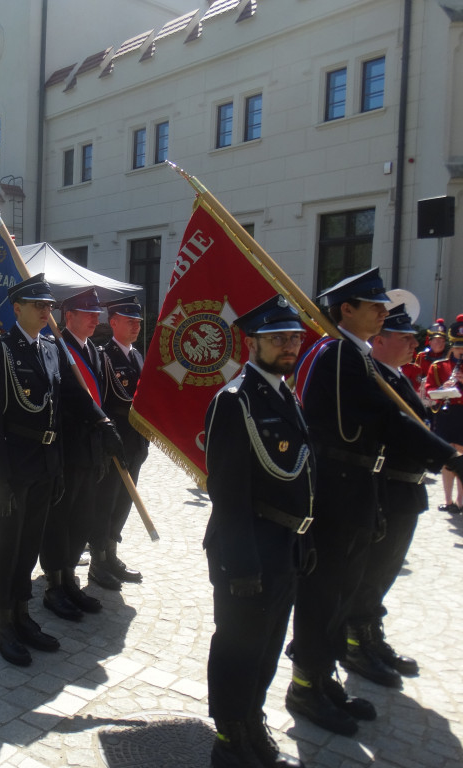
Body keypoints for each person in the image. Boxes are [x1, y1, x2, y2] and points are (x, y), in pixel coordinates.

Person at [287, 268, 463, 736]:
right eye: (375, 307)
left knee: (343, 591)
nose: (384, 314)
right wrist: (449, 456)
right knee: (324, 595)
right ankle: (305, 687)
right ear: (347, 310)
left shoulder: (352, 354)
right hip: (335, 491)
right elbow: (386, 419)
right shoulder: (339, 354)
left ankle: (323, 680)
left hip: (357, 488)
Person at [0, 274, 125, 667]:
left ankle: (23, 615)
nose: (46, 312)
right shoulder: (1, 352)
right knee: (9, 545)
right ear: (18, 308)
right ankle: (3, 623)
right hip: (15, 466)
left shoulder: (50, 349)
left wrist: (102, 423)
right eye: (38, 306)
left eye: (48, 306)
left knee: (29, 545)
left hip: (46, 464)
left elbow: (73, 397)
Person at [203, 295, 311, 768]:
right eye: (278, 339)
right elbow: (226, 492)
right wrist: (241, 563)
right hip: (247, 543)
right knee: (237, 644)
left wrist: (305, 538)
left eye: (294, 338)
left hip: (284, 542)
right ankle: (229, 735)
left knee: (268, 644)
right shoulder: (235, 401)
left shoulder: (286, 394)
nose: (289, 346)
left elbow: (302, 474)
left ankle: (252, 717)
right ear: (253, 343)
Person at [340, 303, 427, 690]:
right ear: (379, 341)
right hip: (387, 488)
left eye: (413, 337)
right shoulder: (374, 379)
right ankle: (357, 643)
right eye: (404, 337)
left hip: (406, 489)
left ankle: (371, 635)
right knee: (372, 573)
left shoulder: (397, 378)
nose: (414, 343)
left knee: (385, 571)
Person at [40, 287, 111, 621]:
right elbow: (65, 399)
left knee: (82, 518)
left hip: (90, 452)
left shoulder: (92, 350)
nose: (96, 319)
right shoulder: (57, 347)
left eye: (98, 314)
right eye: (89, 314)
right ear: (69, 317)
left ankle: (70, 579)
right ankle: (55, 586)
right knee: (61, 520)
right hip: (67, 451)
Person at [90, 296, 148, 590]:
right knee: (106, 502)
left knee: (124, 502)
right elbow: (102, 403)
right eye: (130, 321)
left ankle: (111, 553)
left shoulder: (137, 356)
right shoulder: (103, 357)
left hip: (136, 444)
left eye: (138, 322)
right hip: (114, 445)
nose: (136, 326)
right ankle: (97, 561)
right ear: (113, 323)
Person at [423, 316, 463, 513]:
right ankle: (448, 501)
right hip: (447, 416)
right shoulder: (438, 366)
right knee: (449, 456)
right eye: (457, 347)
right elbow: (429, 391)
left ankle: (461, 500)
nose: (460, 351)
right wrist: (443, 387)